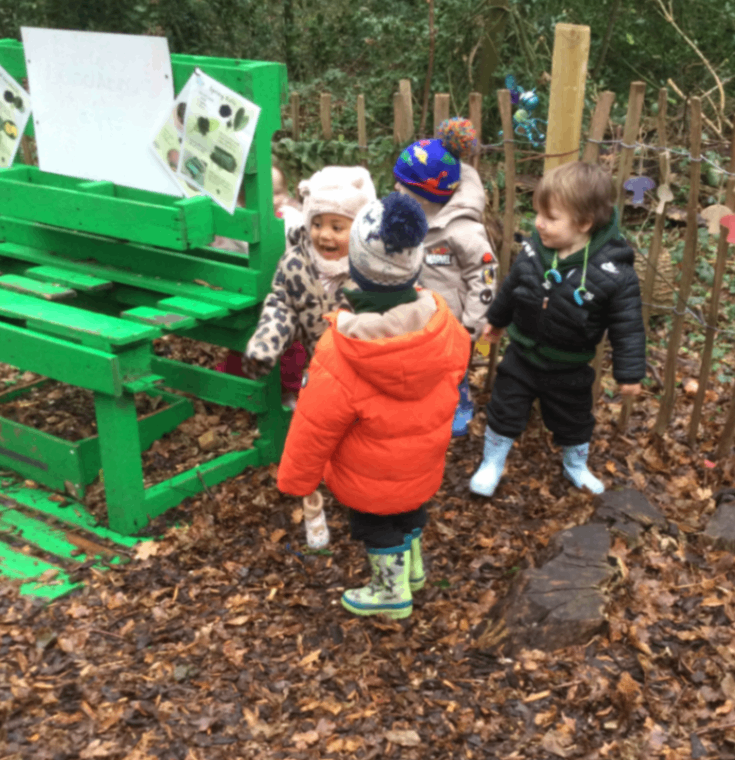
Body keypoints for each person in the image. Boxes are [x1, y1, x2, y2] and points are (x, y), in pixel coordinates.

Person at [276, 192, 470, 619]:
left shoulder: (341, 351)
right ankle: (412, 570)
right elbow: (458, 367)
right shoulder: (443, 326)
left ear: (357, 269)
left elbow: (315, 424)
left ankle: (390, 592)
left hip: (370, 474)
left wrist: (296, 480)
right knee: (411, 510)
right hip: (422, 462)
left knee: (376, 525)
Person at [469, 161, 644, 498]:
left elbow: (628, 325)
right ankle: (492, 462)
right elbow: (513, 286)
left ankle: (575, 464)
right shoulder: (535, 249)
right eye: (538, 214)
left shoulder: (613, 272)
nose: (539, 223)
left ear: (584, 223)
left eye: (550, 218)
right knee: (504, 408)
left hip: (569, 364)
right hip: (522, 354)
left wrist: (630, 371)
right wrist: (497, 318)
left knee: (574, 419)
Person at [393, 118, 497, 436]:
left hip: (452, 323)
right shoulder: (405, 214)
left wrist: (473, 324)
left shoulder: (463, 230)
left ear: (427, 193)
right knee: (415, 369)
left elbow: (486, 275)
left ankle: (460, 407)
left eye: (404, 187)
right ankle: (418, 407)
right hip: (412, 316)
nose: (395, 191)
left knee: (451, 373)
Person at [243, 165, 375, 402]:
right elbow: (282, 306)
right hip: (318, 368)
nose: (324, 235)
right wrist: (266, 343)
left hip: (365, 372)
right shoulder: (297, 263)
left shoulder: (371, 269)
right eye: (316, 224)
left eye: (336, 227)